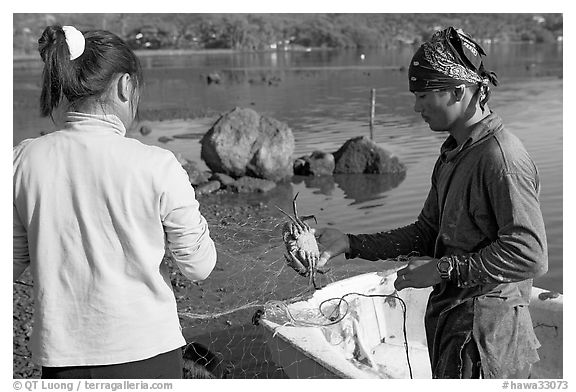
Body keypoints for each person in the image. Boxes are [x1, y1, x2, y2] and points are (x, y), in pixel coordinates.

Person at [312, 27, 548, 379]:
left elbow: (529, 254)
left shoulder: (501, 158)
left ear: (458, 90)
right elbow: (428, 232)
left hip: (488, 341)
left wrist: (441, 269)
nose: (416, 106)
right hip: (455, 326)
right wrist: (350, 243)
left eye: (424, 95)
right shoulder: (454, 152)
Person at [13, 25, 217, 379]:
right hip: (149, 353)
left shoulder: (20, 161)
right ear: (125, 86)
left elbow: (12, 264)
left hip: (61, 361)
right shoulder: (158, 165)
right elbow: (198, 267)